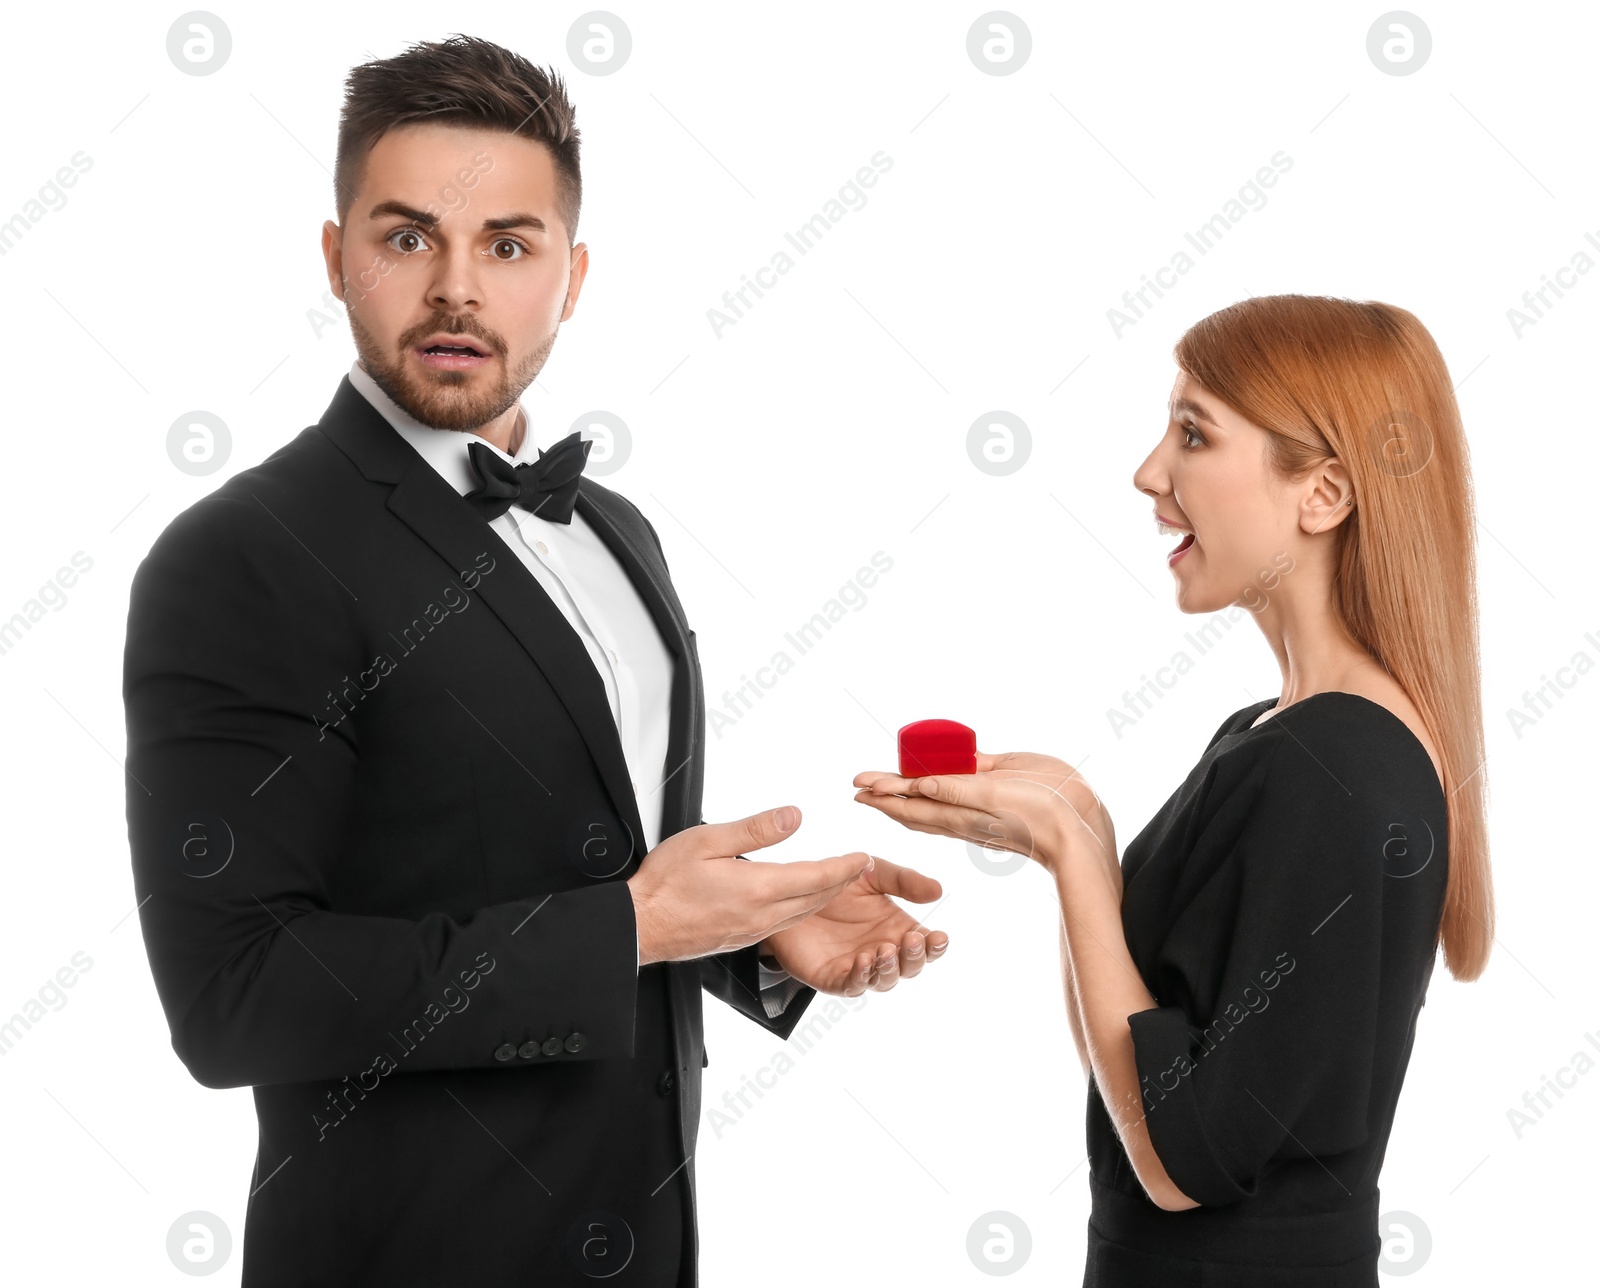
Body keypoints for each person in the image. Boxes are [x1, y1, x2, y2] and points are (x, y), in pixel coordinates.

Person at [122, 34, 947, 1287]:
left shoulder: (616, 532)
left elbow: (568, 859)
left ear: (572, 276)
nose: (458, 288)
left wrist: (746, 932)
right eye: (408, 239)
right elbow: (234, 995)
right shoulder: (243, 554)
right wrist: (633, 927)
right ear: (336, 256)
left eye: (508, 246)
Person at [854, 295, 1493, 1286]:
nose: (1149, 472)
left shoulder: (1323, 766)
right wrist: (1080, 820)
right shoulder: (1275, 734)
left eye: (1193, 434)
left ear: (1321, 494)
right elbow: (1142, 1086)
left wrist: (1075, 853)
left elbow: (1179, 1162)